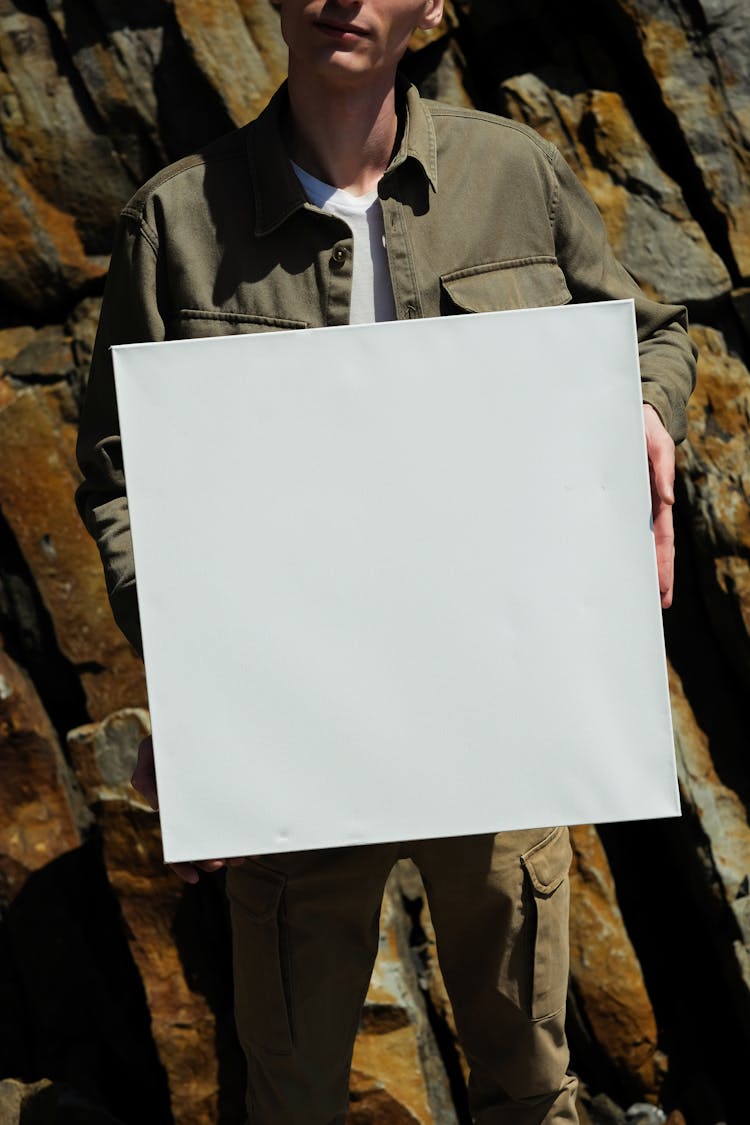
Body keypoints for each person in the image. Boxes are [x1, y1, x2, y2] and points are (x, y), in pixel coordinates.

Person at [76, 1, 696, 1121]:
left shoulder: (517, 176)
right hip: (291, 731)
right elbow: (121, 479)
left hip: (500, 717)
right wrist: (191, 671)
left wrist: (649, 410)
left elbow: (648, 336)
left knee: (533, 1082)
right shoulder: (174, 223)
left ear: (436, 9)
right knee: (293, 1094)